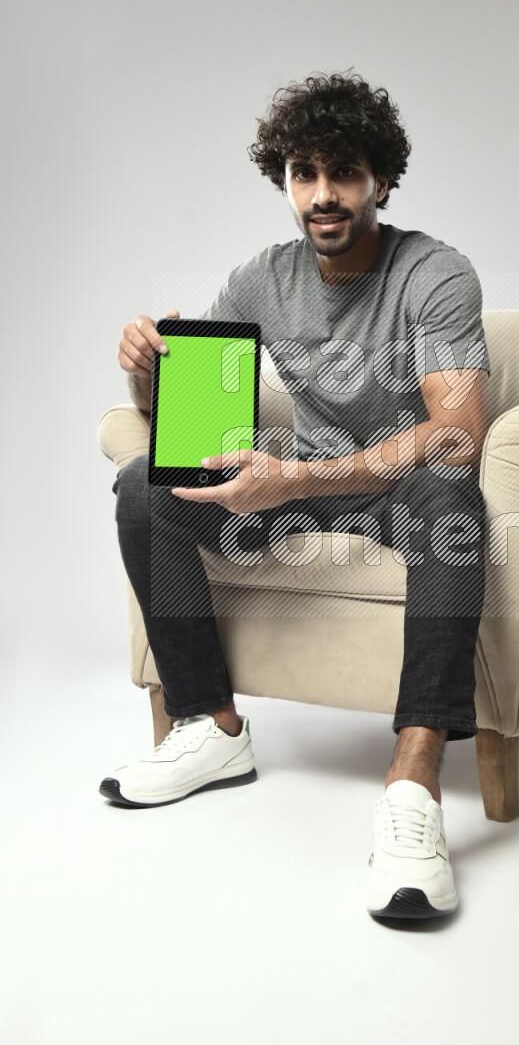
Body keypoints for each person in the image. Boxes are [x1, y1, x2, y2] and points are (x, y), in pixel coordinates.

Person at [104, 70, 491, 920]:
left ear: (379, 181)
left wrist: (298, 476)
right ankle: (211, 728)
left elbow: (456, 431)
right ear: (283, 181)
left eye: (343, 173)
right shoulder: (258, 280)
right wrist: (146, 379)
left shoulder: (434, 273)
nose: (323, 195)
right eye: (304, 174)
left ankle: (413, 787)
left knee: (452, 492)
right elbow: (194, 429)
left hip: (399, 490)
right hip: (306, 488)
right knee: (144, 488)